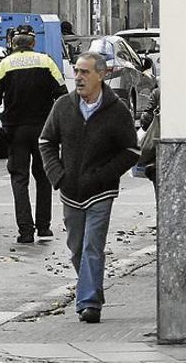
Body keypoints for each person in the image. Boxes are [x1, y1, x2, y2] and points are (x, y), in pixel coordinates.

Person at [39, 51, 140, 324]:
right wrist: (58, 176)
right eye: (76, 71)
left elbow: (131, 151)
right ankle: (91, 289)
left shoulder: (117, 110)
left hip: (101, 192)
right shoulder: (63, 106)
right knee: (76, 248)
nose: (79, 77)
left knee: (92, 247)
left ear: (101, 75)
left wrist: (103, 175)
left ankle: (89, 303)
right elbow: (46, 142)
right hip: (70, 191)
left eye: (85, 72)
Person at [0, 25, 68, 244]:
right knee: (43, 177)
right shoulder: (46, 62)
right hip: (43, 130)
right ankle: (44, 227)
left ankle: (25, 231)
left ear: (13, 43)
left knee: (19, 179)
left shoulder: (5, 65)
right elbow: (62, 94)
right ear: (33, 43)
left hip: (16, 130)